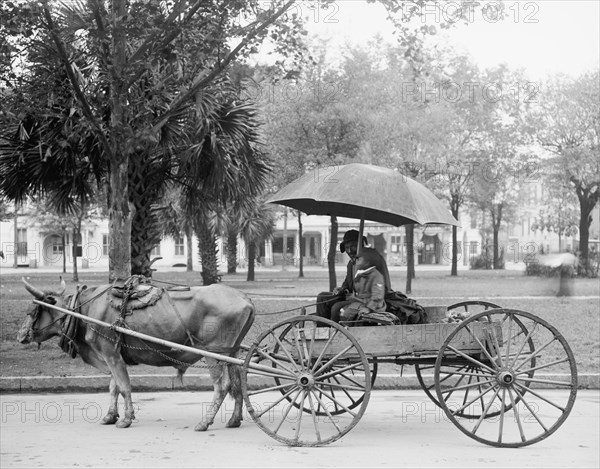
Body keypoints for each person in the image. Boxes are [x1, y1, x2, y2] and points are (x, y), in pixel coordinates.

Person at [316, 229, 391, 321]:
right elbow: (348, 284)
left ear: (361, 244)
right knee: (322, 298)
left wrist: (368, 304)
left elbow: (384, 288)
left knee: (336, 308)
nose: (350, 251)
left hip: (368, 301)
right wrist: (342, 289)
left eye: (353, 246)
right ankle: (322, 331)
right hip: (353, 297)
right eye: (347, 247)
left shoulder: (373, 259)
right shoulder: (351, 263)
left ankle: (337, 332)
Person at [336, 250, 387, 323]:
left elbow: (377, 297)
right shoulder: (362, 274)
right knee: (343, 313)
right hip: (361, 303)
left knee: (358, 317)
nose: (356, 260)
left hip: (373, 306)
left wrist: (369, 309)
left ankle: (353, 331)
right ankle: (347, 330)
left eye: (359, 259)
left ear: (367, 262)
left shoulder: (376, 276)